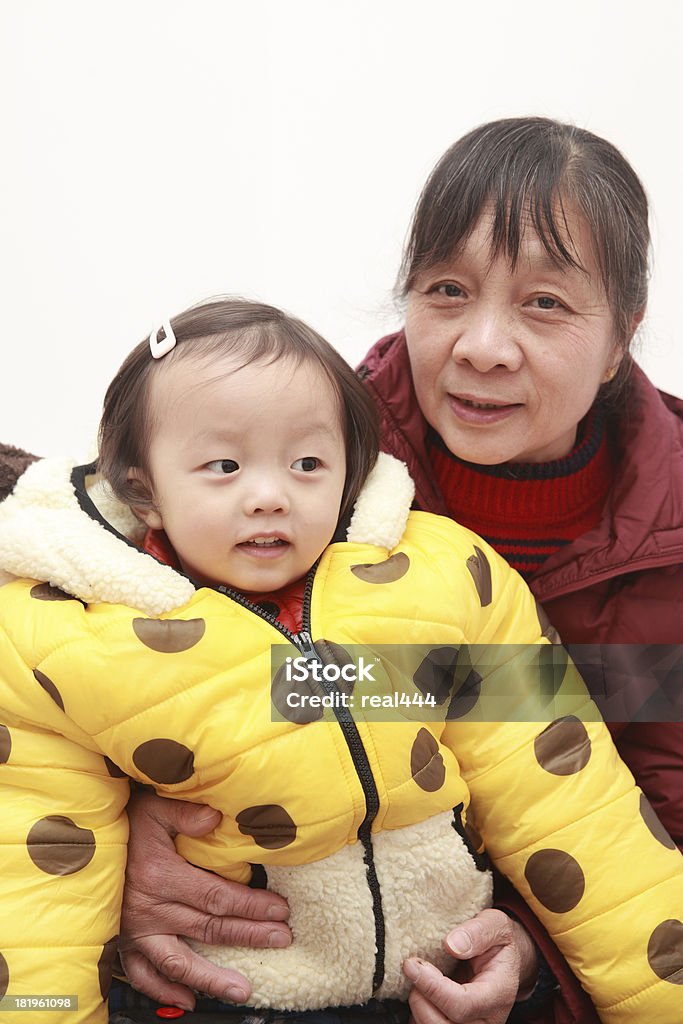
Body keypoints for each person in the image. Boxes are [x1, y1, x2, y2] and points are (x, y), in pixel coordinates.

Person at [106, 118, 683, 1024]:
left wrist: (536, 955)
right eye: (446, 289)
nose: (482, 345)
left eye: (544, 304)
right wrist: (122, 841)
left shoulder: (671, 537)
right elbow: (109, 661)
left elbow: (661, 802)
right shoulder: (293, 468)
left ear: (621, 339)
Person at [0, 297, 681, 1024]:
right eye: (224, 466)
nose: (270, 497)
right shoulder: (65, 639)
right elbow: (37, 886)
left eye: (307, 464)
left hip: (433, 987)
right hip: (218, 997)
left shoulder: (446, 580)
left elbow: (568, 800)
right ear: (145, 490)